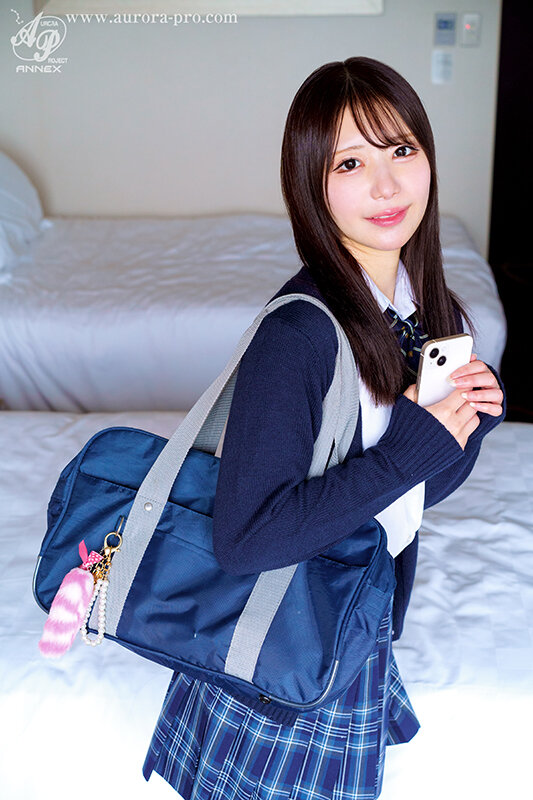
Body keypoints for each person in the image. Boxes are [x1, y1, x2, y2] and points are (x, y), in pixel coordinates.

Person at [143, 56, 505, 800]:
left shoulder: (423, 310)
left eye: (400, 149)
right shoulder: (300, 334)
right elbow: (246, 541)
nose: (386, 185)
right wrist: (408, 449)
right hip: (284, 638)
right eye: (350, 163)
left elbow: (411, 493)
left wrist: (464, 428)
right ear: (312, 183)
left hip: (348, 622)